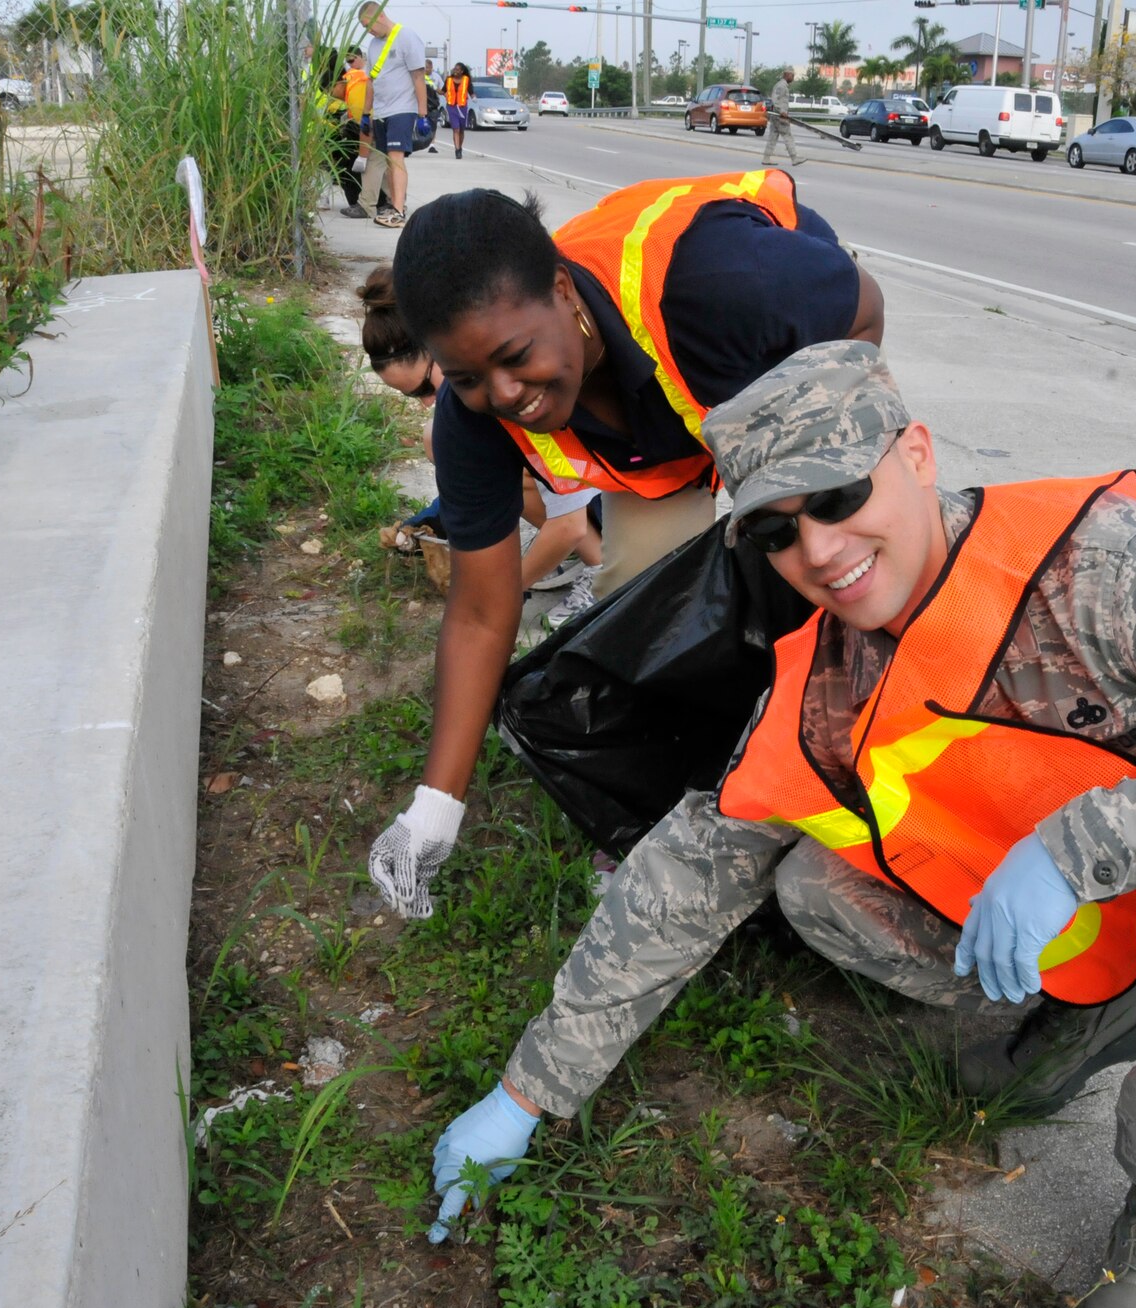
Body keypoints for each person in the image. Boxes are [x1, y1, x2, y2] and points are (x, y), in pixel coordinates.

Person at [424, 342, 1136, 1308]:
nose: (816, 548)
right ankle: (1092, 1009)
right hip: (1088, 906)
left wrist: (1075, 848)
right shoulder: (823, 674)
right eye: (774, 530)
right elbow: (685, 874)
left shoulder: (1119, 568)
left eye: (836, 495)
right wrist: (524, 1092)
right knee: (815, 885)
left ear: (914, 456)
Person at [365, 175, 884, 918]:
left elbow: (863, 309)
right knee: (645, 628)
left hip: (770, 376)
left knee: (826, 573)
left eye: (515, 356)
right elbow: (481, 610)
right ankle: (679, 805)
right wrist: (433, 810)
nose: (506, 394)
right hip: (658, 447)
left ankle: (861, 764)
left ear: (564, 290)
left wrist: (817, 472)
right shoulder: (472, 415)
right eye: (472, 376)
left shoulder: (726, 286)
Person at [357, 265, 603, 616]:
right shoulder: (472, 392)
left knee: (508, 471)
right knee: (439, 437)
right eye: (414, 397)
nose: (428, 402)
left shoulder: (515, 392)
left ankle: (603, 568)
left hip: (627, 490)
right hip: (587, 489)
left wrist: (503, 589)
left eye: (426, 388)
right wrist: (423, 524)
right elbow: (471, 489)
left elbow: (569, 525)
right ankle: (589, 554)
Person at [353, 0, 429, 228]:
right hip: (381, 112)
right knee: (388, 161)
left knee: (396, 159)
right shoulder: (374, 45)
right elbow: (371, 82)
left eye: (369, 25)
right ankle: (396, 206)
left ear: (381, 16)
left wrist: (422, 114)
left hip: (402, 109)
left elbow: (418, 77)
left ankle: (397, 210)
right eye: (365, 28)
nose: (369, 31)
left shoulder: (406, 37)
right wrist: (366, 113)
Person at [326, 49, 372, 219]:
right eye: (348, 62)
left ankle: (381, 202)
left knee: (367, 165)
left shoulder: (357, 77)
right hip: (356, 126)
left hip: (365, 126)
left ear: (362, 58)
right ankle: (374, 202)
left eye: (352, 61)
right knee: (363, 165)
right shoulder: (351, 78)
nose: (350, 65)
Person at [761, 68, 803, 168]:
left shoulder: (783, 85)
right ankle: (794, 158)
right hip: (779, 116)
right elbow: (775, 99)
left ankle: (766, 158)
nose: (793, 78)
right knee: (788, 135)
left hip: (777, 115)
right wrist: (782, 112)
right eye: (792, 76)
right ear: (787, 75)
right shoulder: (781, 86)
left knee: (773, 137)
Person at [443, 62, 472, 160]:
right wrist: (438, 91)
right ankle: (457, 150)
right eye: (455, 69)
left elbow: (471, 92)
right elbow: (443, 91)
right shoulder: (448, 80)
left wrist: (474, 97)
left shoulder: (466, 80)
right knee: (456, 129)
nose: (455, 71)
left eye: (458, 70)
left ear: (462, 71)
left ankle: (460, 146)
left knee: (461, 130)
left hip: (462, 107)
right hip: (451, 107)